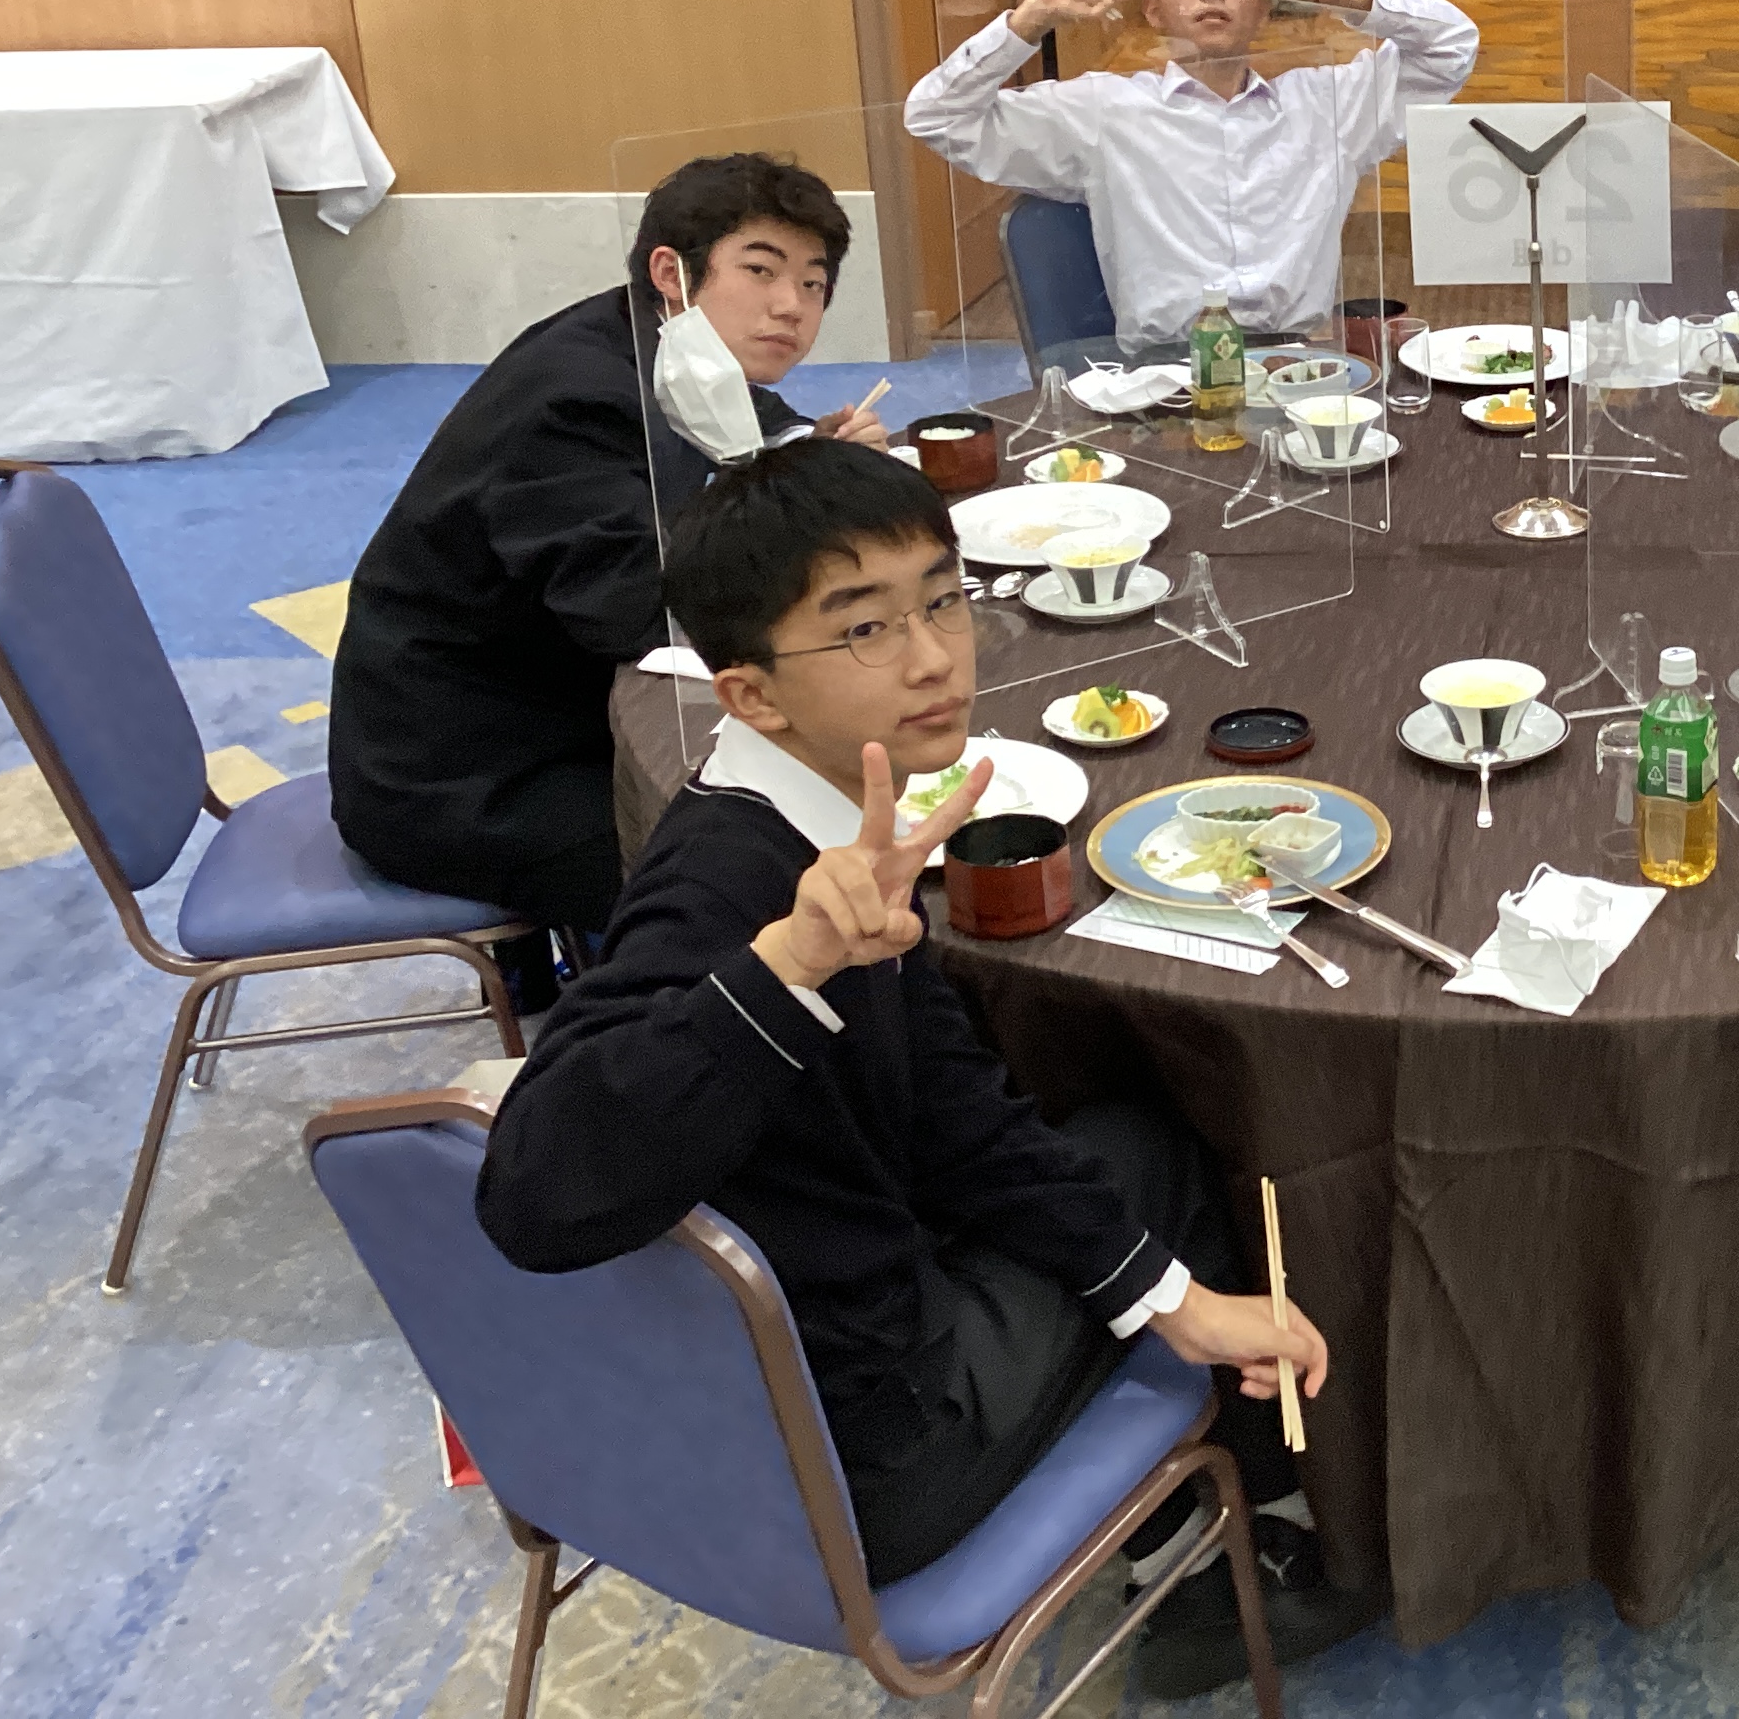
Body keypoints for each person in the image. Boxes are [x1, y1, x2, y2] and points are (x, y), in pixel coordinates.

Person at [474, 440, 1375, 1698]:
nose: (933, 657)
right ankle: (1219, 1564)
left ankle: (1196, 1503)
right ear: (751, 697)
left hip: (750, 1385)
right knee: (1165, 1149)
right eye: (863, 629)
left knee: (1108, 1148)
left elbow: (956, 1107)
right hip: (868, 1451)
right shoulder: (728, 889)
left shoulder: (810, 828)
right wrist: (789, 964)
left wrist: (1173, 1301)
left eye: (942, 601)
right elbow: (530, 1189)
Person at [329, 155, 888, 1001]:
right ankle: (662, 1044)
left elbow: (748, 425)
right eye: (761, 271)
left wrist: (810, 452)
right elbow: (638, 610)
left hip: (544, 710)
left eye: (814, 284)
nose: (791, 306)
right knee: (766, 866)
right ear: (672, 272)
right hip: (465, 773)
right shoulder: (577, 398)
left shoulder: (653, 342)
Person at [904, 0, 1478, 359]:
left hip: (1293, 361)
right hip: (1163, 372)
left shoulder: (1328, 106)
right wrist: (1031, 21)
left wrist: (1354, 0)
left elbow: (1451, 48)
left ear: (1264, 9)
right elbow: (936, 115)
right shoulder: (1104, 111)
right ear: (1152, 9)